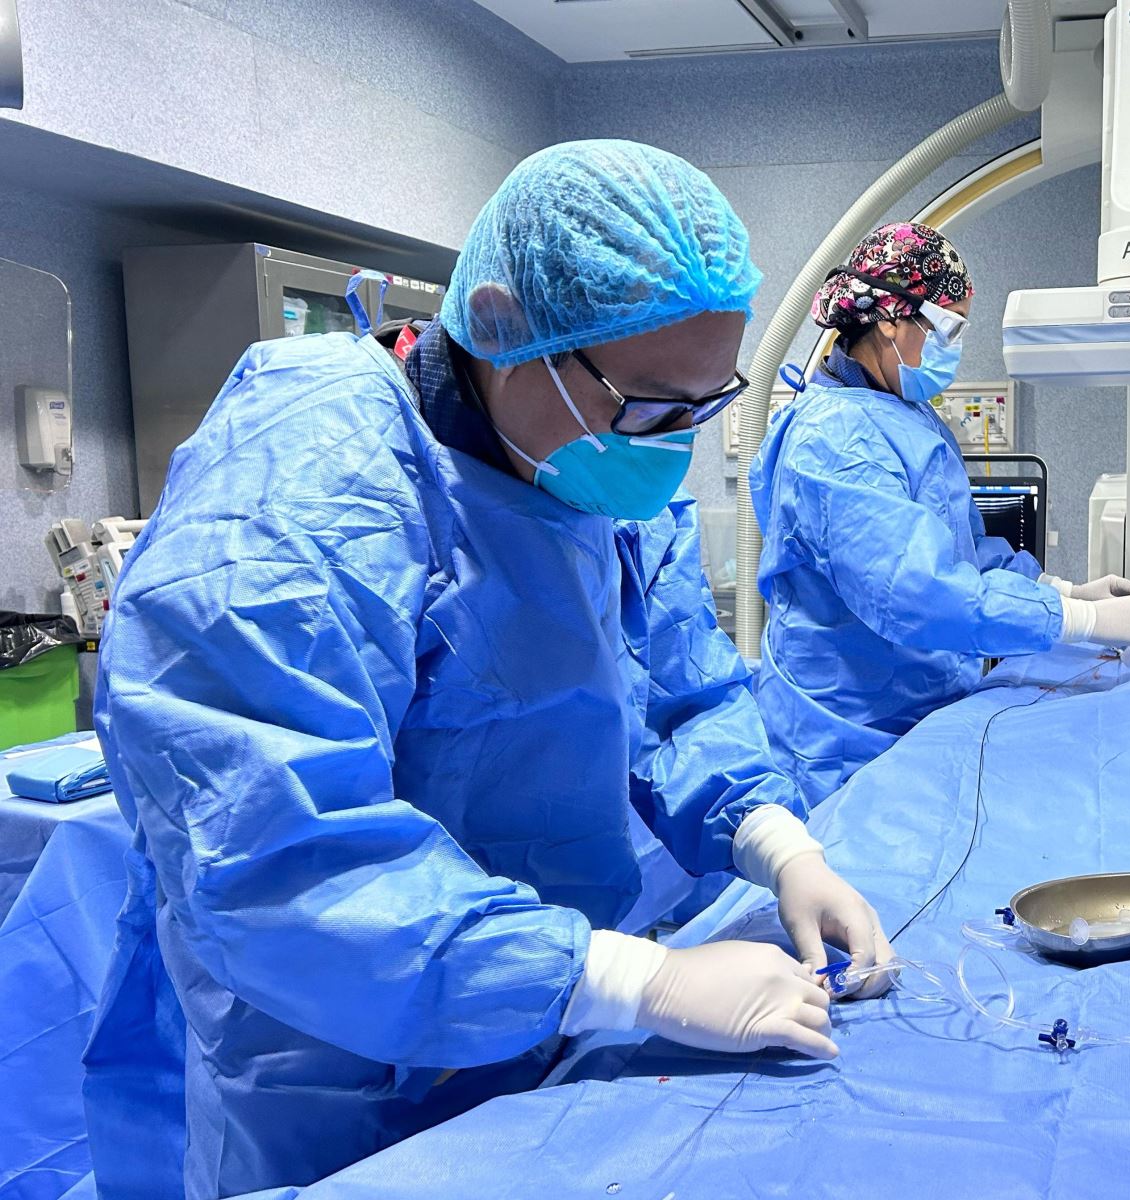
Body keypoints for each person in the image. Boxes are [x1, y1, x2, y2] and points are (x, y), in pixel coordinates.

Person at [85, 141, 891, 1200]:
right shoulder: (302, 488)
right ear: (508, 331)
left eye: (704, 408)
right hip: (336, 1064)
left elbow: (674, 688)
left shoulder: (591, 467)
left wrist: (780, 847)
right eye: (653, 408)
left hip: (554, 1018)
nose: (674, 447)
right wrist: (629, 978)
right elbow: (280, 859)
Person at [749, 222, 1130, 807]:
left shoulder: (904, 414)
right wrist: (1077, 621)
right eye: (946, 327)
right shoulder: (836, 441)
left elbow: (962, 554)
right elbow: (919, 592)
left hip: (917, 711)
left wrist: (1065, 587)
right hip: (848, 737)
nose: (953, 347)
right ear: (890, 318)